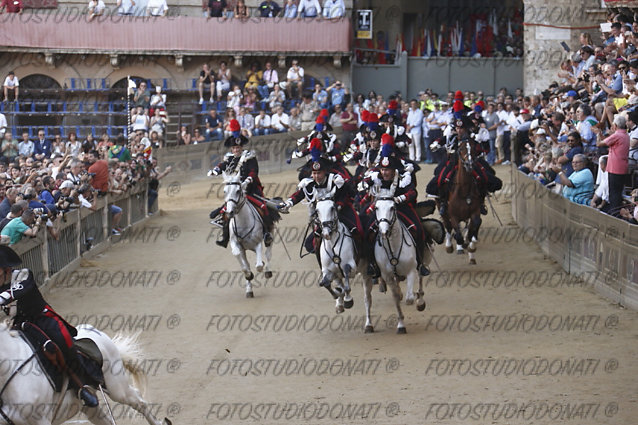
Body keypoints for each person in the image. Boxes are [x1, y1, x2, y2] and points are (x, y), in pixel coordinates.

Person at [0, 245, 99, 407]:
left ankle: (82, 386)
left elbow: (18, 291)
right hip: (16, 324)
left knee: (63, 341)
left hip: (41, 319)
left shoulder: (24, 275)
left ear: (7, 269)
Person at [358, 154, 429, 277]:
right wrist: (364, 184)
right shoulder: (375, 176)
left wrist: (400, 199)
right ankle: (372, 264)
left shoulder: (403, 177)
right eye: (382, 169)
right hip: (382, 209)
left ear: (393, 170)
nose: (384, 172)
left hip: (402, 208)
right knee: (368, 232)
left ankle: (420, 262)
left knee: (418, 228)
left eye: (387, 170)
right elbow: (362, 185)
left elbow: (413, 192)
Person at [209, 119, 277, 247]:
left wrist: (248, 180)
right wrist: (216, 170)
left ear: (241, 147)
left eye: (238, 147)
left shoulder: (249, 156)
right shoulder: (229, 158)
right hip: (236, 190)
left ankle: (267, 232)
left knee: (263, 207)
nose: (236, 150)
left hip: (250, 189)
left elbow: (254, 170)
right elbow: (223, 165)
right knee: (227, 209)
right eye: (234, 148)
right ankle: (225, 237)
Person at [594, 115, 630, 216]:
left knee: (613, 192)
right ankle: (616, 212)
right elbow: (607, 141)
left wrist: (597, 134)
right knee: (618, 192)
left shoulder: (617, 135)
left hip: (615, 168)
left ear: (615, 125)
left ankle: (614, 214)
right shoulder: (625, 135)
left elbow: (599, 144)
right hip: (622, 167)